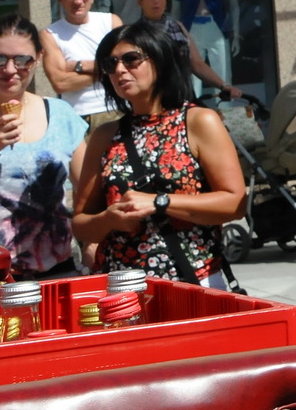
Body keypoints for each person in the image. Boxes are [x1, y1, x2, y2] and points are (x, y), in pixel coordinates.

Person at [71, 21, 246, 285]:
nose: (120, 69)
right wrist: (109, 219)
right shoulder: (104, 135)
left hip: (192, 281)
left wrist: (159, 202)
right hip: (122, 288)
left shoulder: (198, 121)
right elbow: (81, 223)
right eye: (110, 64)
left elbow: (235, 203)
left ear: (160, 61)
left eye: (131, 59)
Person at [0, 14, 87, 279]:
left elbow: (89, 193)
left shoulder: (61, 114)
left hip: (55, 272)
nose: (10, 70)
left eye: (23, 60)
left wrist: (93, 243)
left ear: (38, 59)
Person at [40, 0, 121, 130]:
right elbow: (60, 83)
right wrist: (106, 69)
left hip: (116, 110)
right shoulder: (50, 34)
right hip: (78, 116)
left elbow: (124, 64)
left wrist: (80, 66)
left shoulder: (111, 22)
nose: (78, 1)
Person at [136, 0, 238, 99]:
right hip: (152, 98)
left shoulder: (177, 27)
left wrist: (223, 85)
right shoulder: (135, 33)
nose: (156, 1)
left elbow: (197, 63)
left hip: (183, 95)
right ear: (140, 2)